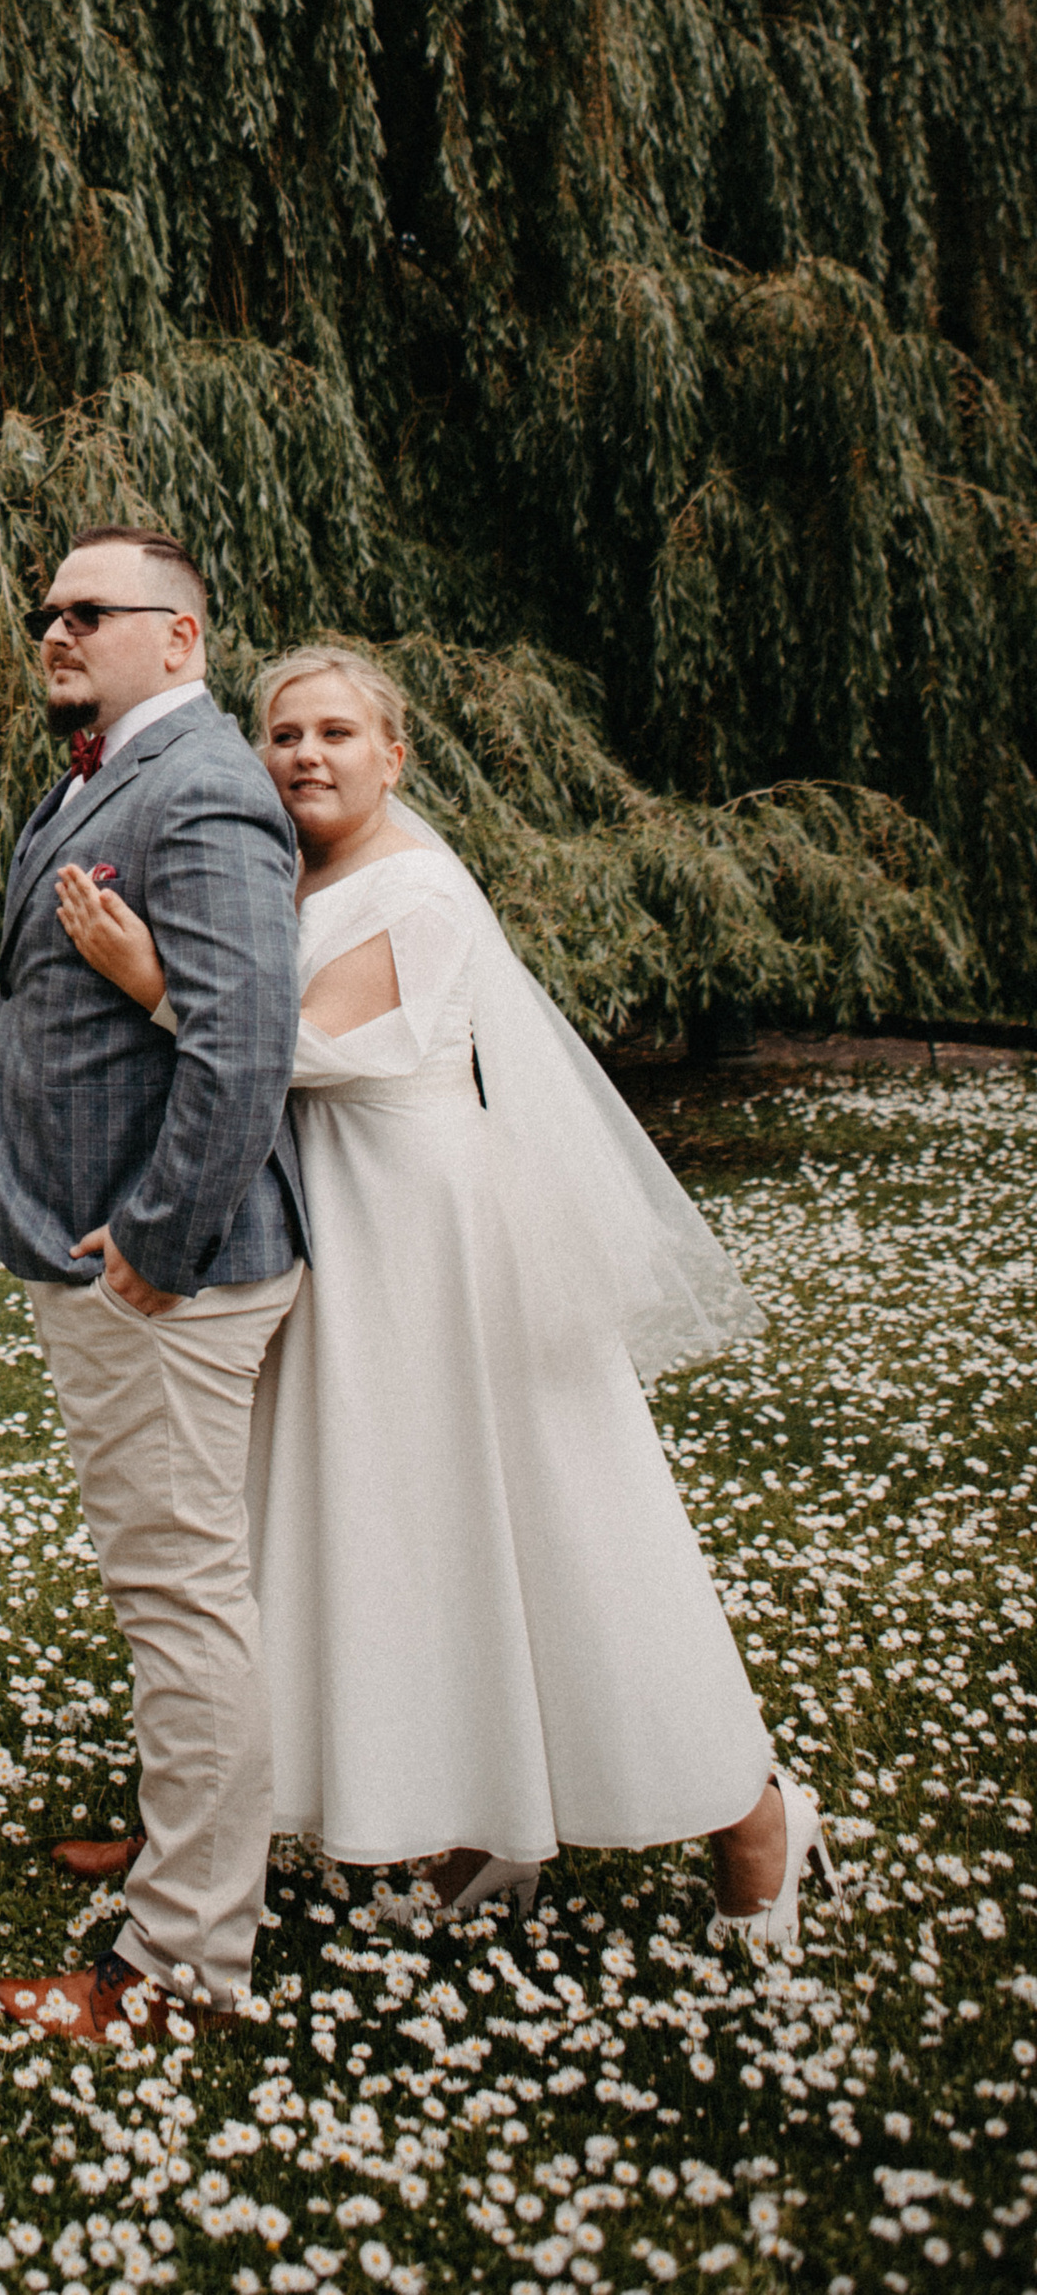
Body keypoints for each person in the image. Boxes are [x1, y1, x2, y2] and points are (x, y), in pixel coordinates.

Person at [57, 638, 831, 1950]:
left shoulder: (413, 887)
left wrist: (148, 983)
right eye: (284, 733)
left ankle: (751, 1812)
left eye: (336, 734)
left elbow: (295, 1049)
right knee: (400, 1533)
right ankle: (460, 1819)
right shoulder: (293, 876)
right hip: (343, 1238)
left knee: (555, 1529)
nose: (306, 753)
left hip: (433, 1246)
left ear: (392, 754)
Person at [0, 524, 309, 2041]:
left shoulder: (207, 791)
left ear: (181, 637)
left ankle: (183, 1966)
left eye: (90, 610)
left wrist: (153, 1251)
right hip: (111, 1253)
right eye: (47, 610)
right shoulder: (113, 770)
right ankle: (189, 1851)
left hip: (162, 1274)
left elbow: (245, 1050)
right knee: (178, 1591)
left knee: (181, 1602)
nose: (56, 629)